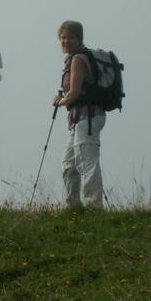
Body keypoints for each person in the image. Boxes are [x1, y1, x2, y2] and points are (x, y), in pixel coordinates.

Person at [54, 20, 106, 208]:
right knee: (69, 163)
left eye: (70, 37)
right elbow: (73, 92)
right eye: (62, 37)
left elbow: (74, 92)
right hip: (80, 118)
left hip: (88, 117)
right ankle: (73, 206)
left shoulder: (78, 59)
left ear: (79, 38)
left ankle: (94, 206)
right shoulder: (74, 58)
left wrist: (60, 102)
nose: (65, 41)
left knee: (87, 162)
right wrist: (62, 97)